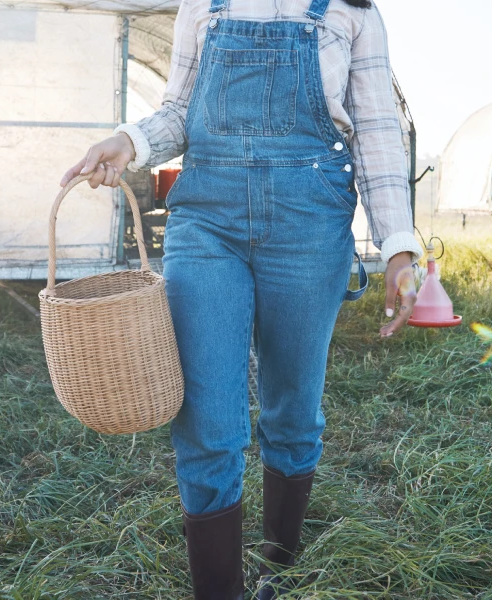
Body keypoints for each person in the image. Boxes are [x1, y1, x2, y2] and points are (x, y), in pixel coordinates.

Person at [60, 0, 422, 597]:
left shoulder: (352, 10)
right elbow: (179, 111)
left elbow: (377, 124)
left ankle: (278, 567)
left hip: (309, 219)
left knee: (293, 410)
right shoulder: (202, 4)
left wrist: (400, 246)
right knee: (207, 422)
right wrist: (130, 140)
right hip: (208, 219)